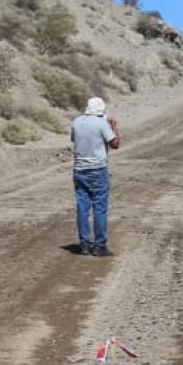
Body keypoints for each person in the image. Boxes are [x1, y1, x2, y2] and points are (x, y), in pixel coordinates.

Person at [70, 96, 120, 257]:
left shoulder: (76, 122)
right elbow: (115, 144)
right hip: (98, 170)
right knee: (100, 208)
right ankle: (99, 245)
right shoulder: (101, 123)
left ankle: (84, 244)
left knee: (83, 208)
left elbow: (74, 140)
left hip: (79, 170)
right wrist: (114, 128)